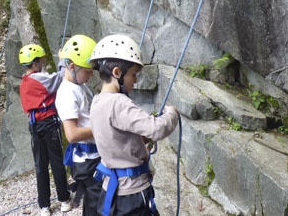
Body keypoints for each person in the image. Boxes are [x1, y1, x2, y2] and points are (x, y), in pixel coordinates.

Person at [89, 34, 179, 216]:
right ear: (117, 72)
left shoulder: (97, 101)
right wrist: (172, 114)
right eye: (133, 74)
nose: (135, 80)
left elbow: (116, 138)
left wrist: (140, 139)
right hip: (131, 194)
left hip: (111, 190)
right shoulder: (119, 102)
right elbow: (157, 129)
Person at [19, 43, 71, 216]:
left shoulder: (24, 81)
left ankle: (44, 206)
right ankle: (64, 200)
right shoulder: (40, 78)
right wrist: (63, 59)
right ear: (34, 63)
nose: (42, 63)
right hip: (48, 124)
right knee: (56, 162)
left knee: (41, 165)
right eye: (40, 61)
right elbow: (61, 77)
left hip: (34, 126)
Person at [56, 35, 102, 215]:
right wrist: (102, 128)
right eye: (88, 71)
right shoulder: (67, 93)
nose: (91, 75)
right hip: (88, 160)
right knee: (97, 203)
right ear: (73, 67)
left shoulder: (78, 84)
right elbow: (72, 134)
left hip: (94, 154)